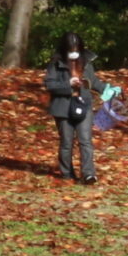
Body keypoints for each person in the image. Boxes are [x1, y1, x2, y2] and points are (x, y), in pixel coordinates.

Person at [44, 32, 97, 184]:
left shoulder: (87, 62)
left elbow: (94, 81)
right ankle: (67, 173)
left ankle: (88, 174)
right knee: (66, 142)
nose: (74, 53)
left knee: (85, 140)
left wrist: (109, 90)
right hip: (63, 107)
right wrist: (68, 84)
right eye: (70, 50)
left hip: (83, 105)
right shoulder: (55, 64)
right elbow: (50, 85)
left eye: (76, 49)